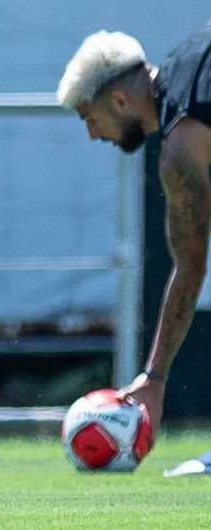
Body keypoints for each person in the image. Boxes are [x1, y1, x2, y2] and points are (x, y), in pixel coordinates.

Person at [57, 27, 211, 477]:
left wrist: (155, 378)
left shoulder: (181, 145)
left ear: (120, 102)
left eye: (89, 117)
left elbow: (190, 266)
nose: (91, 135)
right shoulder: (189, 58)